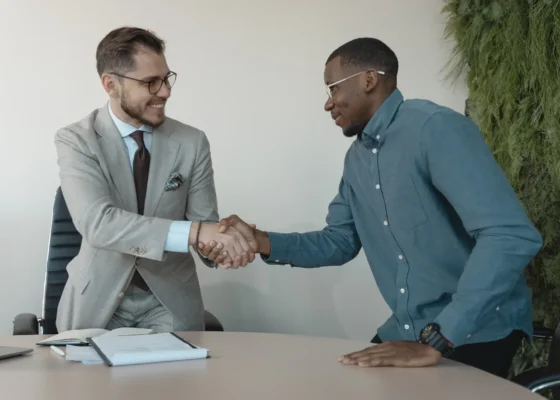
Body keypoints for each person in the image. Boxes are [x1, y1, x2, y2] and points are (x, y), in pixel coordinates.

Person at [199, 37, 543, 378]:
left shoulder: (434, 128)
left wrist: (440, 338)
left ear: (368, 79)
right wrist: (260, 241)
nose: (328, 104)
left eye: (332, 88)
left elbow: (509, 235)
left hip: (475, 329)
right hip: (410, 329)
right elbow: (340, 241)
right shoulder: (357, 159)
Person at [54, 26, 253, 333]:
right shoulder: (76, 140)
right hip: (98, 301)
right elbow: (98, 223)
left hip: (170, 300)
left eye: (167, 78)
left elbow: (204, 223)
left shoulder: (192, 141)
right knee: (88, 381)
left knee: (177, 382)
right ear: (111, 85)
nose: (165, 91)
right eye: (151, 82)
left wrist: (219, 246)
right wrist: (198, 232)